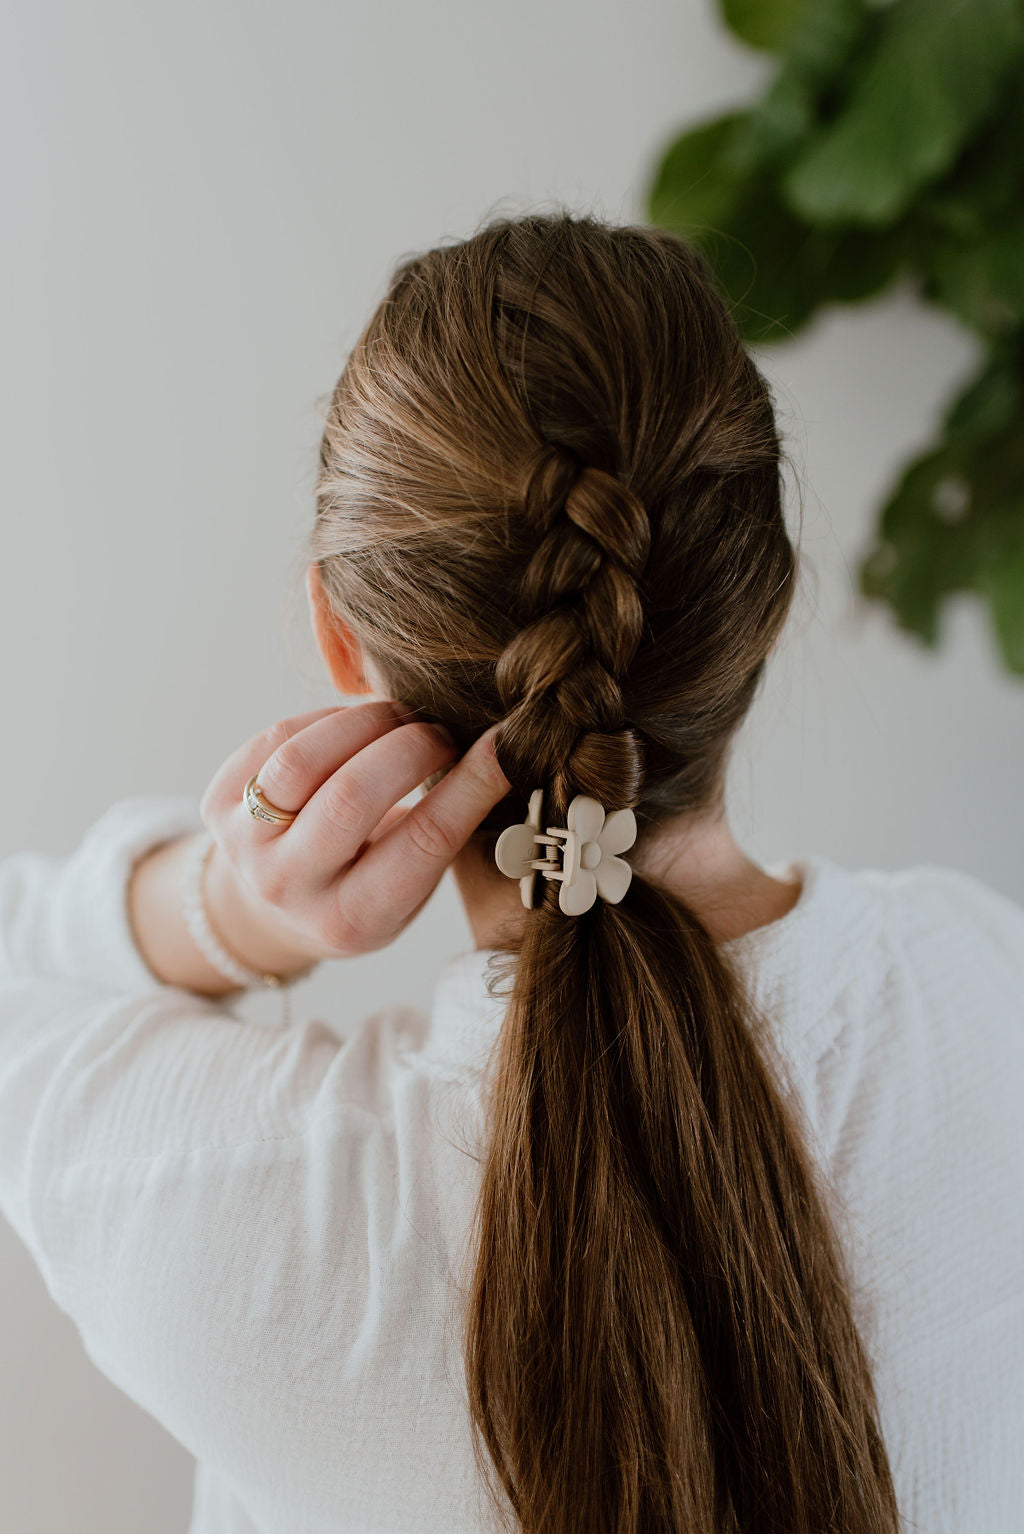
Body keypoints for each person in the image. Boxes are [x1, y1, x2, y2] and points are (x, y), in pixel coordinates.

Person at [1, 212, 1022, 1534]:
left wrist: (234, 909)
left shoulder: (227, 1201)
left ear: (338, 635)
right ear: (760, 609)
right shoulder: (985, 992)